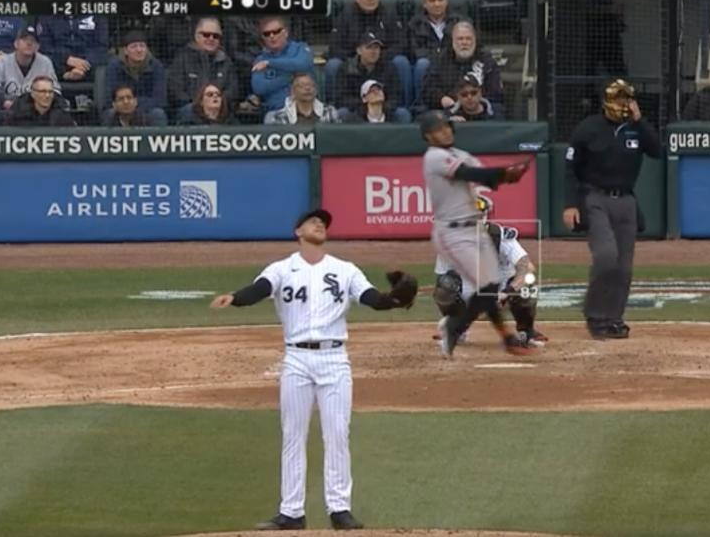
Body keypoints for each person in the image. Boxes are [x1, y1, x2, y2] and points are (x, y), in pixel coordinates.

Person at [210, 208, 417, 532]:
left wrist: (394, 299)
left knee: (336, 433)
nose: (319, 224)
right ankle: (291, 512)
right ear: (298, 231)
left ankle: (340, 510)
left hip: (334, 360)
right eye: (313, 221)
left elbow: (372, 298)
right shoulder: (282, 269)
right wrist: (234, 298)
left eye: (323, 223)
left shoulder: (345, 270)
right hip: (296, 360)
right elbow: (260, 289)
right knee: (293, 434)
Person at [420, 110, 538, 358]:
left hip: (474, 229)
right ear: (428, 137)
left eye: (447, 127)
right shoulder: (433, 157)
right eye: (438, 129)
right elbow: (470, 174)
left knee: (489, 286)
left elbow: (484, 177)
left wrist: (506, 177)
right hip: (451, 231)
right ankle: (455, 327)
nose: (445, 132)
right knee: (488, 284)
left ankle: (504, 337)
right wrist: (505, 173)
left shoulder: (462, 155)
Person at [561, 79, 662, 340]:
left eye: (626, 99)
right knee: (606, 256)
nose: (622, 104)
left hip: (626, 200)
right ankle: (595, 314)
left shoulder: (635, 128)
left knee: (624, 267)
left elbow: (657, 151)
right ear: (607, 101)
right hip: (595, 197)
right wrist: (571, 204)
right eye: (618, 99)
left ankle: (614, 317)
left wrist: (640, 121)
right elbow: (570, 169)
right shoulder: (589, 128)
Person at [432, 195, 547, 348]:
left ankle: (526, 330)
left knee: (527, 286)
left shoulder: (501, 237)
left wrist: (508, 291)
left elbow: (527, 267)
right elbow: (441, 276)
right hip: (467, 292)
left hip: (501, 290)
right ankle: (457, 329)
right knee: (445, 285)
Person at [326, 0, 409, 105]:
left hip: (383, 62)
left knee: (401, 62)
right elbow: (334, 46)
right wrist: (358, 59)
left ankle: (404, 106)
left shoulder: (389, 13)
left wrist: (380, 57)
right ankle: (334, 107)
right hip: (353, 63)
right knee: (333, 65)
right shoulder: (345, 15)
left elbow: (401, 43)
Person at [420, 22, 503, 116]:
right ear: (452, 41)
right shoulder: (440, 60)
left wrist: (479, 103)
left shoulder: (487, 61)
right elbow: (428, 90)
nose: (464, 42)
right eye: (460, 39)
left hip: (480, 111)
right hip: (449, 111)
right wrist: (441, 99)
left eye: (468, 39)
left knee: (498, 110)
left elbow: (496, 93)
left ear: (475, 40)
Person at [0, 28, 59, 125]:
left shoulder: (45, 62)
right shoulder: (1, 61)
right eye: (24, 40)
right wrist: (5, 103)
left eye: (33, 41)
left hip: (36, 109)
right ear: (16, 44)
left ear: (38, 47)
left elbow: (56, 92)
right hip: (7, 107)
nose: (29, 43)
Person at [168, 18, 238, 122]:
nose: (211, 38)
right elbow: (175, 91)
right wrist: (200, 104)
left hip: (219, 110)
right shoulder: (182, 58)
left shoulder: (226, 62)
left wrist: (216, 102)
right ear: (197, 36)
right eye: (206, 34)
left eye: (216, 36)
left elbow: (232, 91)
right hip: (190, 111)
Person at [408, 0, 465, 105]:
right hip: (427, 66)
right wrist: (439, 57)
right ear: (424, 4)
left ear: (447, 1)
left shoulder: (459, 22)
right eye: (432, 0)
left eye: (440, 0)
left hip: (452, 65)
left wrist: (443, 58)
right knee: (422, 64)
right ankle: (420, 105)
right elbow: (415, 51)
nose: (437, 4)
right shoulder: (414, 24)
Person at [333, 31, 407, 122]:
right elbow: (341, 98)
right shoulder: (346, 68)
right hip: (356, 112)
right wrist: (367, 104)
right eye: (369, 47)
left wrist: (379, 105)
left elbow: (396, 96)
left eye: (376, 48)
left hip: (384, 111)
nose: (373, 52)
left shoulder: (389, 67)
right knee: (342, 113)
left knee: (402, 113)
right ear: (359, 50)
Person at [248, 16, 314, 114]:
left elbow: (304, 64)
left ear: (286, 33)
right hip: (277, 112)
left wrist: (271, 63)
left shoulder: (300, 48)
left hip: (307, 109)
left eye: (276, 31)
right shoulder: (260, 60)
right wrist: (291, 77)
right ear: (263, 38)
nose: (272, 36)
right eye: (267, 34)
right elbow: (259, 87)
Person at [106, 30, 169, 126]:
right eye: (134, 46)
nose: (139, 50)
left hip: (147, 110)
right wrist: (125, 104)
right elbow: (108, 97)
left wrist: (133, 104)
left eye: (142, 46)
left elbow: (160, 99)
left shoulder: (157, 66)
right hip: (120, 108)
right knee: (109, 114)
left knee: (158, 114)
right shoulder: (114, 66)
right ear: (125, 50)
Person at [36, 15, 110, 82]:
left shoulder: (97, 17)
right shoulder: (46, 17)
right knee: (41, 60)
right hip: (58, 67)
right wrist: (66, 59)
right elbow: (45, 48)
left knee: (109, 65)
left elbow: (101, 47)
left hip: (90, 67)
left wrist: (83, 66)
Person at [264, 72, 339, 125]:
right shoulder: (279, 117)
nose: (307, 88)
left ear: (316, 90)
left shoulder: (329, 112)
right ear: (292, 92)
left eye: (310, 85)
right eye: (301, 86)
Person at [5, 75, 76, 127]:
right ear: (32, 93)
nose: (47, 95)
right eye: (42, 91)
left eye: (50, 92)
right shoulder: (18, 110)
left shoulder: (62, 111)